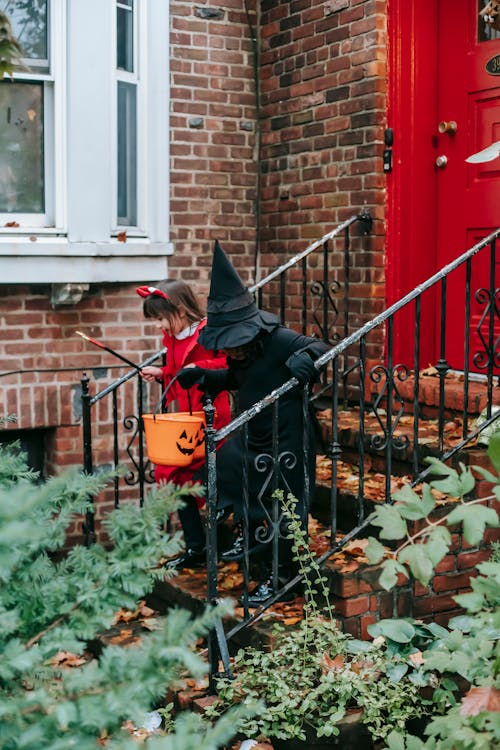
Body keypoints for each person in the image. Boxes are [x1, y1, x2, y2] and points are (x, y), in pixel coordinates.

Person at [177, 241, 329, 606]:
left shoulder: (278, 341)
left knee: (284, 507)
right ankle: (249, 536)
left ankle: (282, 577)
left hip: (289, 435)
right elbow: (238, 379)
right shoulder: (242, 356)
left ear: (248, 333)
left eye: (232, 345)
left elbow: (322, 347)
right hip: (256, 433)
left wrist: (306, 360)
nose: (228, 352)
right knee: (226, 465)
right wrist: (204, 376)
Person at [137, 280, 231, 569]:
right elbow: (177, 373)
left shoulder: (208, 332)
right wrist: (162, 372)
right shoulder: (173, 338)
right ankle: (197, 546)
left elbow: (230, 365)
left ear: (179, 310)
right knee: (171, 473)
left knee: (207, 478)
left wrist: (199, 369)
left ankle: (226, 533)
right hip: (184, 419)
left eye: (161, 319)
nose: (159, 326)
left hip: (211, 415)